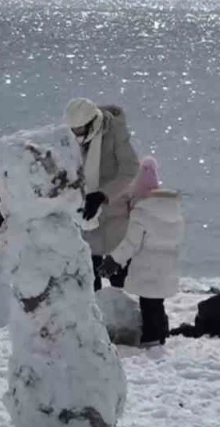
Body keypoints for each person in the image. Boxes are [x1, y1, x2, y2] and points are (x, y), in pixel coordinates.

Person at [98, 157, 184, 347]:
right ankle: (160, 335)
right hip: (167, 267)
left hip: (147, 267)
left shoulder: (142, 213)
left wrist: (113, 260)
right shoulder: (174, 211)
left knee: (148, 305)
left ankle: (151, 339)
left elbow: (131, 243)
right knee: (157, 303)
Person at [62, 98, 141, 291]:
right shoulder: (70, 137)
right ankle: (92, 319)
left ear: (92, 123)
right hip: (86, 214)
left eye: (79, 130)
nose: (75, 134)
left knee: (119, 279)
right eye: (73, 130)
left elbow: (130, 170)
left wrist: (102, 195)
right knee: (89, 278)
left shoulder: (115, 133)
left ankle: (123, 316)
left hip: (114, 212)